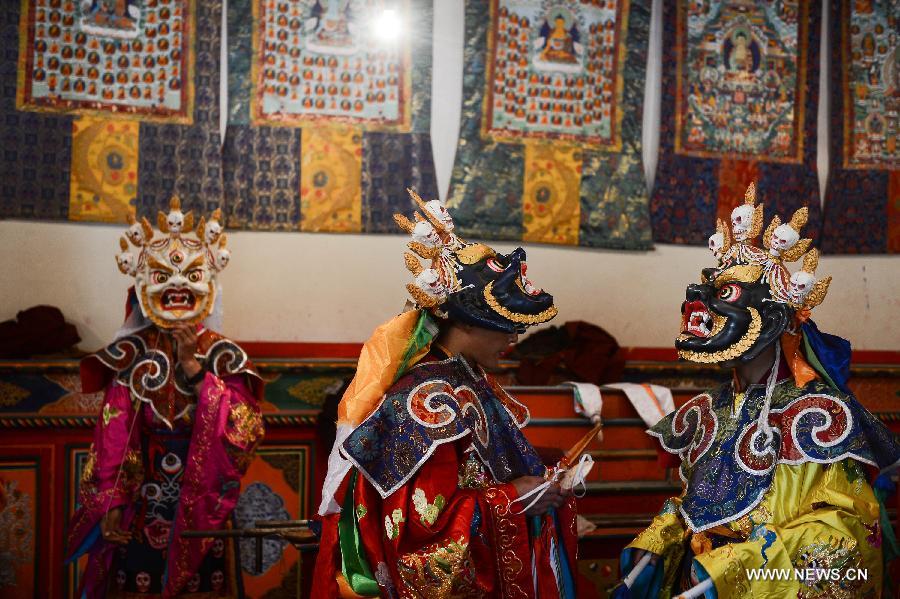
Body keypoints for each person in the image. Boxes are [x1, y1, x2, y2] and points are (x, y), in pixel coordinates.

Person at [614, 184, 900, 597]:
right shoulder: (710, 407)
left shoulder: (820, 414)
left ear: (773, 319)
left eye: (726, 294)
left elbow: (848, 531)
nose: (702, 304)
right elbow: (699, 500)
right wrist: (659, 540)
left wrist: (734, 569)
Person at [312, 190, 579, 598]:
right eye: (506, 324)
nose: (514, 337)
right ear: (468, 322)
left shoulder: (468, 379)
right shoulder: (427, 398)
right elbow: (420, 528)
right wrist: (511, 498)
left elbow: (486, 466)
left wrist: (545, 472)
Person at [66, 198, 265, 597]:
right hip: (143, 502)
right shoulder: (131, 354)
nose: (177, 287)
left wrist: (194, 370)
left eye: (189, 275)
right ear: (143, 287)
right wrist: (112, 502)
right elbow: (114, 434)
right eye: (163, 277)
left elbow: (247, 431)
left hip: (202, 502)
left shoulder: (223, 355)